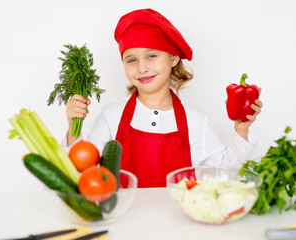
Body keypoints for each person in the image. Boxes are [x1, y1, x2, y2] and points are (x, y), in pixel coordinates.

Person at [63, 8, 263, 188]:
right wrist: (74, 126)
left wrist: (241, 130)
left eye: (152, 56)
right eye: (131, 60)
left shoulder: (197, 122)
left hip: (179, 225)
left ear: (174, 58)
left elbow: (224, 174)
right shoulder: (111, 115)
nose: (142, 68)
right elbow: (83, 169)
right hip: (124, 222)